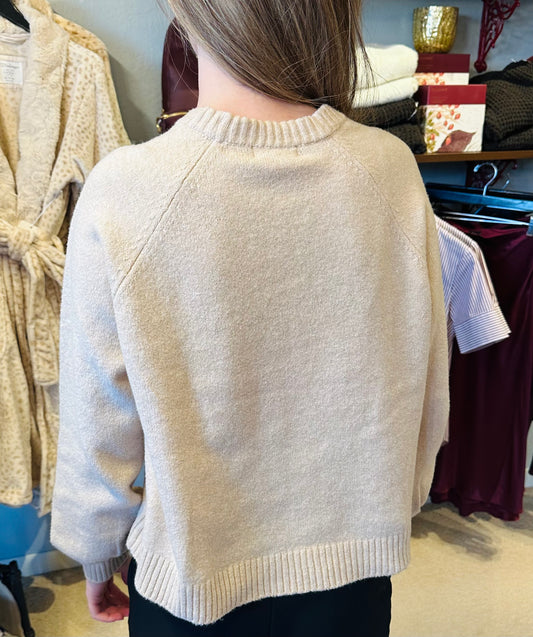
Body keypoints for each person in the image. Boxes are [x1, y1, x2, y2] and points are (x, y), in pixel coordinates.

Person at [50, 1, 449, 635]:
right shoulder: (388, 168)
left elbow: (99, 408)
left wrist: (96, 548)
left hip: (193, 577)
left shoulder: (126, 188)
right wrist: (401, 499)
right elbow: (424, 365)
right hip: (352, 575)